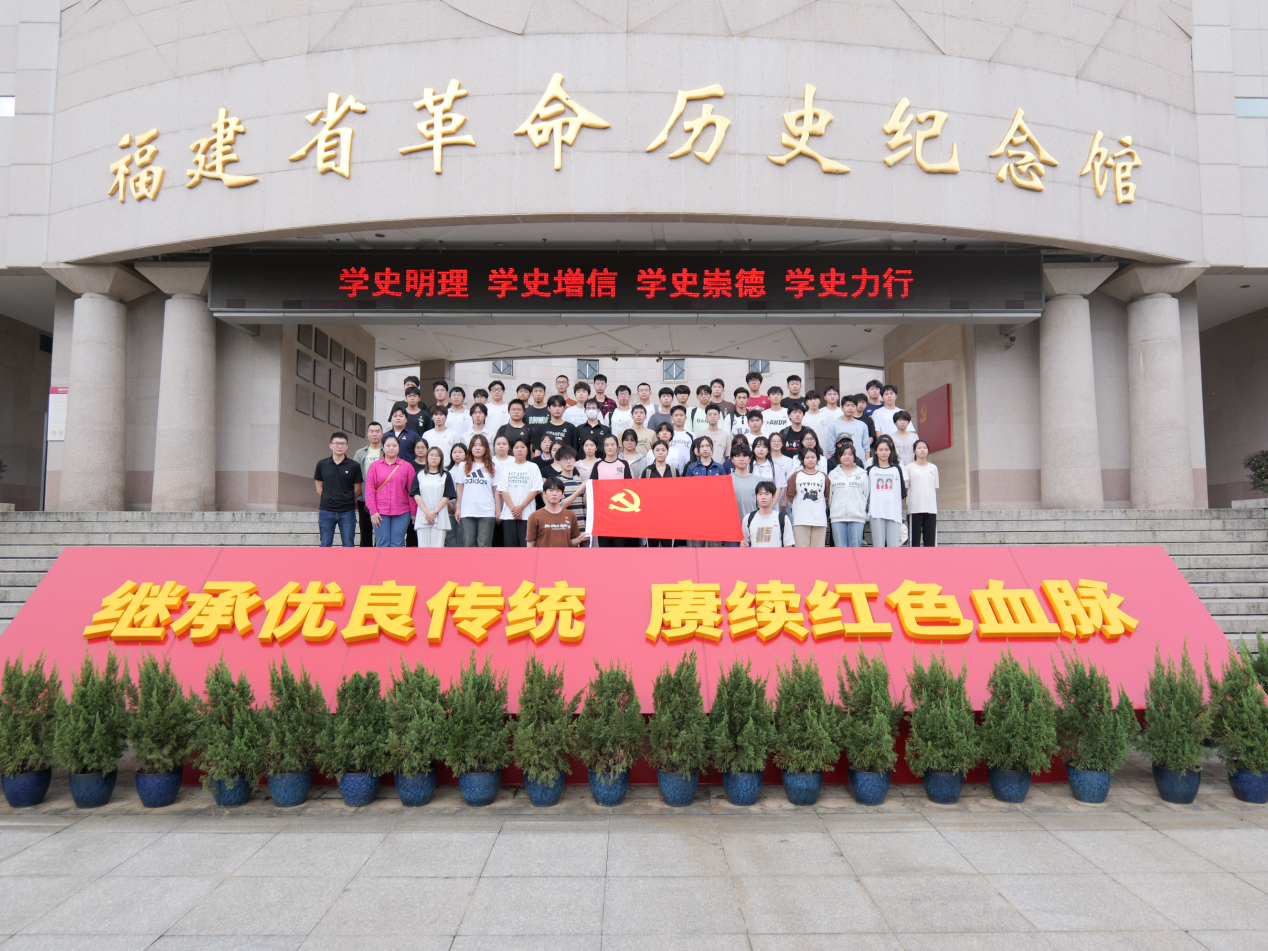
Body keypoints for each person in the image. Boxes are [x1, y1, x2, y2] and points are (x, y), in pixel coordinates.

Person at [314, 431, 363, 547]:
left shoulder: (354, 466)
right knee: (325, 544)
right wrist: (330, 498)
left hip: (347, 511)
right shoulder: (322, 464)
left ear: (347, 446)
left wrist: (346, 498)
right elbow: (319, 489)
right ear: (330, 445)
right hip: (326, 511)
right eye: (336, 443)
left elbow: (358, 490)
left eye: (343, 444)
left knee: (348, 544)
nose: (339, 446)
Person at [364, 433, 413, 547]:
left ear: (399, 447)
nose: (391, 448)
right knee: (382, 543)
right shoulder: (374, 466)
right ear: (383, 447)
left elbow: (412, 492)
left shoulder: (407, 467)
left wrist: (413, 513)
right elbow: (370, 490)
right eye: (388, 445)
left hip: (402, 511)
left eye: (395, 445)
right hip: (380, 511)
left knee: (397, 543)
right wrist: (373, 511)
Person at [496, 437, 543, 547]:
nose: (520, 450)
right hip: (509, 515)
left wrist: (521, 507)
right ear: (512, 450)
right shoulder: (507, 468)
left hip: (527, 515)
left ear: (527, 450)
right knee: (510, 547)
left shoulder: (533, 467)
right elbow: (503, 490)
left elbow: (535, 489)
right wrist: (514, 510)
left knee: (526, 546)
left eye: (522, 447)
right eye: (516, 447)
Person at [591, 434, 634, 546]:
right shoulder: (598, 465)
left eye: (612, 444)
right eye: (607, 445)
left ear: (617, 446)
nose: (610, 447)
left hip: (620, 511)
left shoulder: (623, 464)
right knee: (604, 544)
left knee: (619, 545)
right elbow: (592, 487)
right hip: (603, 512)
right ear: (603, 447)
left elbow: (629, 487)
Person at [455, 434, 497, 547]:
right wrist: (458, 507)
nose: (477, 448)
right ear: (470, 448)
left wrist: (497, 510)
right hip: (467, 511)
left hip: (487, 511)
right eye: (474, 445)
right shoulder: (463, 465)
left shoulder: (493, 466)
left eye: (481, 445)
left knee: (484, 545)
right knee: (469, 545)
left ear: (486, 448)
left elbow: (496, 490)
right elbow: (460, 487)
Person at [410, 445, 456, 547]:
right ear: (427, 457)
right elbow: (416, 494)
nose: (434, 458)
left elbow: (447, 495)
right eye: (431, 455)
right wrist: (427, 513)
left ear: (441, 459)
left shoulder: (446, 475)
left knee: (437, 548)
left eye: (437, 456)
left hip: (440, 515)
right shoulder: (420, 474)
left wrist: (435, 512)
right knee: (423, 548)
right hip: (423, 515)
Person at [867, 435, 906, 548]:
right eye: (880, 450)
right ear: (875, 451)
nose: (883, 452)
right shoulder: (870, 470)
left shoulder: (897, 469)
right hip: (876, 512)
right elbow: (867, 493)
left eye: (886, 449)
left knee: (893, 547)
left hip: (893, 512)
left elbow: (901, 493)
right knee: (878, 547)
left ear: (890, 451)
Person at [527, 478, 589, 548]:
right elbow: (531, 544)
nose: (554, 494)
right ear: (544, 493)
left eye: (558, 491)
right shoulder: (534, 516)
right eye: (551, 490)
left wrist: (580, 539)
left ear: (562, 494)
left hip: (564, 555)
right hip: (543, 555)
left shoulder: (571, 515)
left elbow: (571, 543)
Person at [828, 443, 869, 548]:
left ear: (854, 457)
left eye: (850, 454)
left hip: (857, 517)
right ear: (839, 457)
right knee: (840, 549)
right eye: (844, 454)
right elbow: (830, 497)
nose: (847, 457)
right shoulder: (833, 474)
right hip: (837, 517)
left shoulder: (862, 474)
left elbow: (866, 494)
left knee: (855, 549)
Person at [786, 448, 828, 547]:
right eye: (807, 457)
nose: (810, 460)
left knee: (818, 552)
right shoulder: (796, 475)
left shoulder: (823, 476)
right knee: (802, 552)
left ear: (817, 459)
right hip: (801, 519)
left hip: (819, 519)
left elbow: (826, 495)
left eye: (813, 457)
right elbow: (790, 494)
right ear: (802, 459)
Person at [641, 439, 678, 547]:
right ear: (653, 452)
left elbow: (678, 494)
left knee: (669, 549)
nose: (660, 453)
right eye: (657, 450)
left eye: (663, 450)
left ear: (668, 452)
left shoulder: (673, 471)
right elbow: (642, 494)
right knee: (652, 550)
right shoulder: (647, 471)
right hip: (651, 517)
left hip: (670, 517)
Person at [353, 422, 383, 546]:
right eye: (372, 431)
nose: (374, 434)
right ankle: (366, 557)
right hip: (364, 497)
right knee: (365, 532)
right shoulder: (360, 453)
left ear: (382, 434)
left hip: (382, 498)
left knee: (381, 532)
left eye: (377, 431)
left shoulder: (386, 451)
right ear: (367, 434)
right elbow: (355, 475)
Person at [907, 438, 939, 547]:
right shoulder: (909, 467)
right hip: (915, 508)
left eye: (924, 448)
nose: (922, 450)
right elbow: (906, 488)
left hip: (931, 508)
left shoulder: (933, 468)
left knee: (930, 542)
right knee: (914, 541)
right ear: (914, 451)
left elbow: (934, 486)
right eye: (919, 448)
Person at [742, 481, 794, 547]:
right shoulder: (748, 518)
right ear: (756, 497)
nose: (763, 497)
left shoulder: (782, 518)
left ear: (774, 497)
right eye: (760, 494)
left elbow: (788, 545)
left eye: (767, 494)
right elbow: (745, 542)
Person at [729, 444, 760, 547]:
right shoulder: (726, 480)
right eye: (737, 456)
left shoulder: (758, 480)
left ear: (750, 459)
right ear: (732, 459)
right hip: (732, 530)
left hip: (753, 529)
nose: (741, 459)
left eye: (744, 456)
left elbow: (761, 507)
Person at [554, 445, 588, 534]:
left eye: (571, 458)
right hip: (565, 528)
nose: (569, 461)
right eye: (565, 459)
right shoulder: (557, 482)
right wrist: (579, 491)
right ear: (558, 462)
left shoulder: (578, 480)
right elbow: (560, 505)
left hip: (582, 526)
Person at [833, 395, 871, 464]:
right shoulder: (834, 425)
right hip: (841, 463)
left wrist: (867, 463)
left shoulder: (862, 425)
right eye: (847, 405)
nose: (850, 408)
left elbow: (866, 448)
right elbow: (831, 448)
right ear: (842, 408)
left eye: (853, 406)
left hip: (860, 461)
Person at [749, 436, 787, 502]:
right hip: (752, 504)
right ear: (753, 449)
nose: (761, 449)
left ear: (768, 450)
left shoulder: (776, 467)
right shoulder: (748, 467)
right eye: (758, 446)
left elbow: (778, 489)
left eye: (764, 447)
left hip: (772, 505)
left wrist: (771, 506)